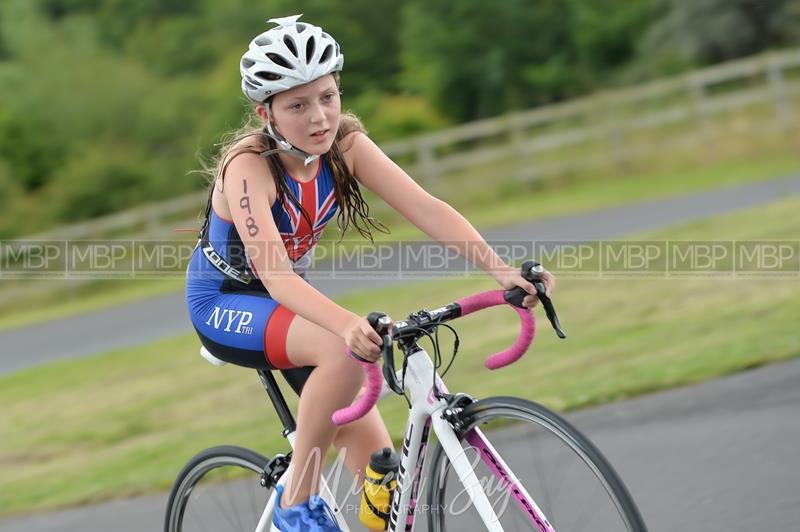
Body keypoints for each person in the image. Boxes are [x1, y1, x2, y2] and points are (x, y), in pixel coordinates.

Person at [185, 14, 555, 531]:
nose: (319, 117)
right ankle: (297, 504)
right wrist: (344, 325)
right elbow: (276, 278)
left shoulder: (346, 146)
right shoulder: (247, 166)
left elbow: (426, 208)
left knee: (384, 490)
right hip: (227, 301)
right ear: (264, 112)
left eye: (328, 97)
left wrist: (500, 271)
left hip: (293, 303)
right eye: (297, 105)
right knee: (343, 349)